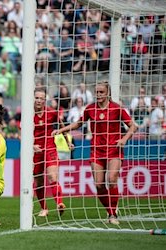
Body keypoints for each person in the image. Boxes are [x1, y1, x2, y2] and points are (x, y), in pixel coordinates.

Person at [53, 81, 138, 225]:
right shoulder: (90, 109)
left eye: (101, 92)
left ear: (108, 93)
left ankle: (112, 214)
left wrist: (124, 139)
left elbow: (133, 126)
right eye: (97, 92)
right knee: (99, 184)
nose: (98, 95)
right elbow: (79, 123)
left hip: (114, 150)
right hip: (96, 151)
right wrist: (61, 130)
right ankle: (111, 211)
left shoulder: (117, 108)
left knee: (111, 179)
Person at [33, 88, 69, 217]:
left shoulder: (52, 113)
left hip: (50, 148)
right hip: (36, 151)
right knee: (38, 181)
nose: (39, 100)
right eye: (37, 98)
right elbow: (22, 134)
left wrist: (67, 141)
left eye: (41, 98)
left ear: (45, 100)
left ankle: (59, 203)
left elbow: (62, 125)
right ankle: (44, 208)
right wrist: (32, 146)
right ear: (33, 98)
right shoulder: (28, 114)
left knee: (53, 176)